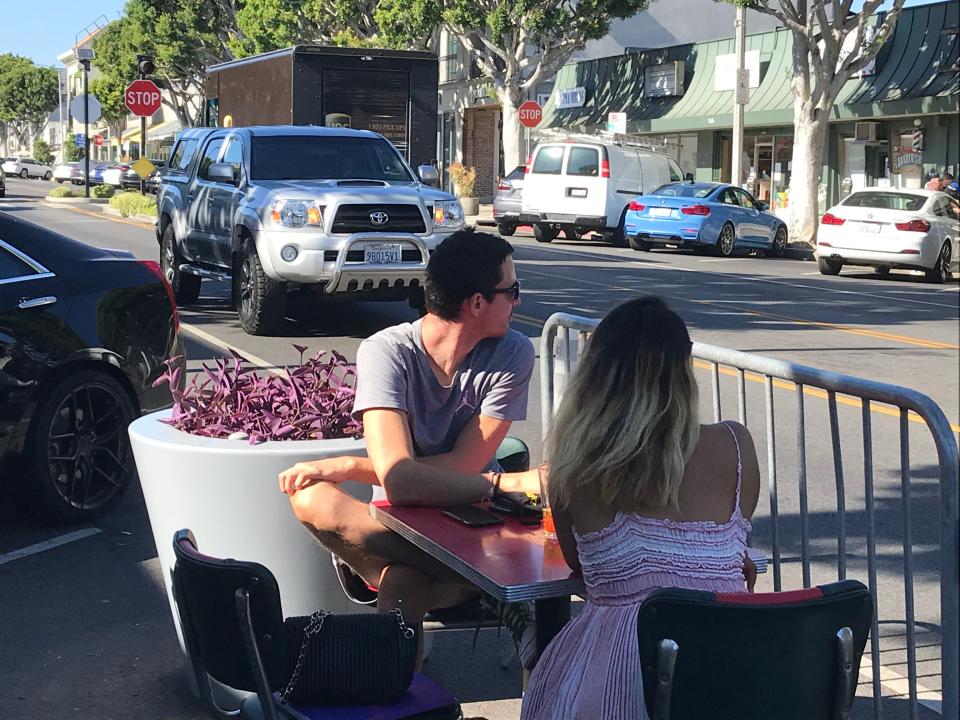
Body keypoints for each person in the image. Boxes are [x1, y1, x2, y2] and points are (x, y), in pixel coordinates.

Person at [278, 228, 540, 649]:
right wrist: (504, 483)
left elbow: (459, 468)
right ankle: (498, 587)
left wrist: (353, 466)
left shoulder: (512, 353)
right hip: (407, 520)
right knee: (309, 497)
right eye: (512, 290)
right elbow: (400, 483)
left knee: (402, 580)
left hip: (471, 517)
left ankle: (396, 693)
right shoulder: (387, 352)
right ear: (477, 303)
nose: (518, 301)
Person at [521, 296, 761, 720]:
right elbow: (729, 545)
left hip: (617, 678)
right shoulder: (736, 445)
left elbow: (581, 563)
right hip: (730, 669)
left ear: (596, 376)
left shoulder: (572, 469)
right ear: (684, 372)